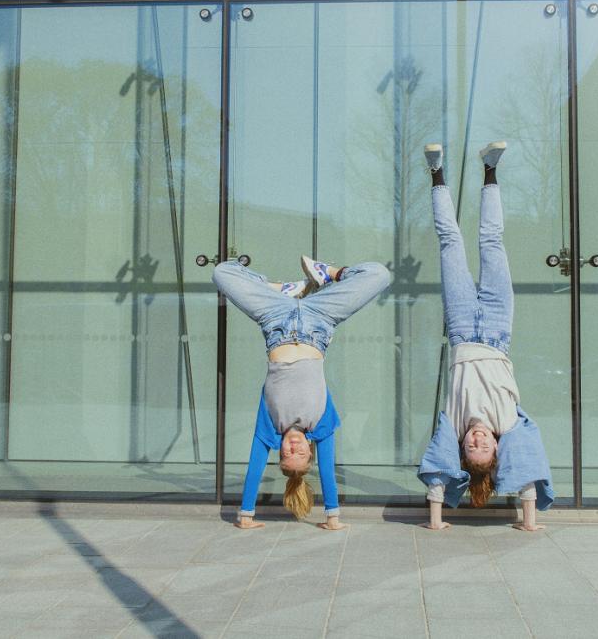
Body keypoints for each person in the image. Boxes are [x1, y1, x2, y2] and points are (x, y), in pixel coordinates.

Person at [417, 141, 554, 532]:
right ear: (497, 447)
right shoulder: (509, 423)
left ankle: (436, 174)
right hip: (497, 328)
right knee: (492, 242)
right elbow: (526, 473)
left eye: (471, 448)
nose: (476, 440)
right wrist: (528, 523)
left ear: (463, 447)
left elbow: (439, 472)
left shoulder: (454, 423)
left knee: (450, 242)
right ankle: (490, 169)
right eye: (485, 447)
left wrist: (437, 521)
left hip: (461, 326)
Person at [213, 255, 391, 530]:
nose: (293, 447)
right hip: (320, 320)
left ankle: (275, 289)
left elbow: (254, 469)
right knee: (379, 275)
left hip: (275, 319)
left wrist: (246, 515)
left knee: (222, 272)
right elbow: (329, 473)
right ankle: (328, 273)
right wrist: (332, 517)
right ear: (310, 451)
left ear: (279, 450)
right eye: (300, 454)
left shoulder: (270, 427)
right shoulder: (321, 424)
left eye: (287, 453)